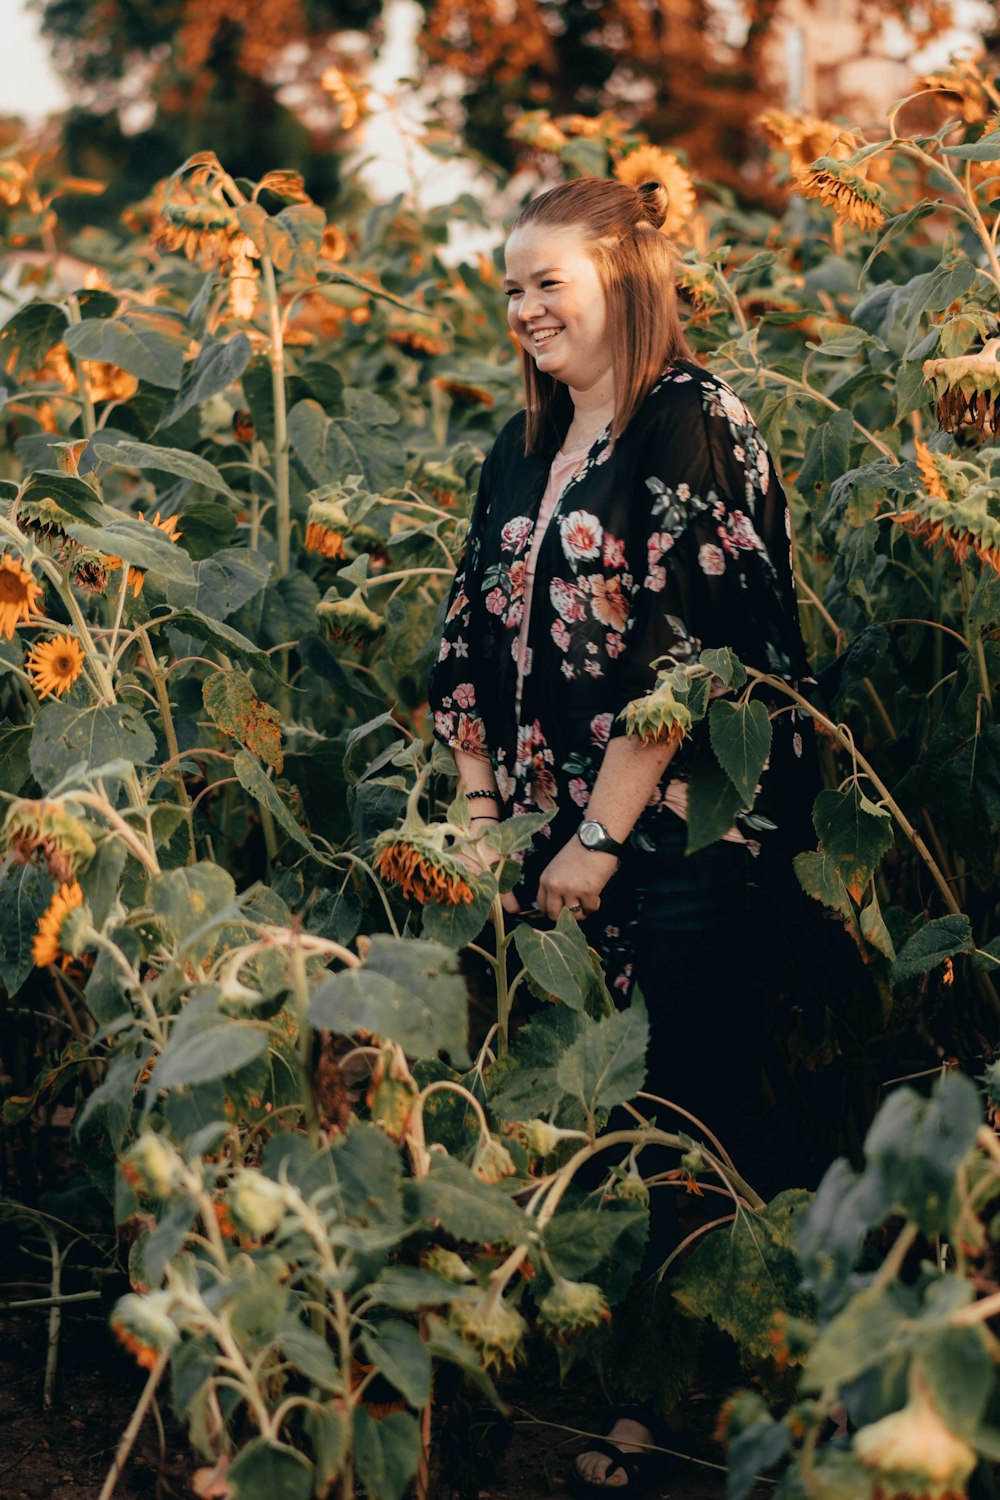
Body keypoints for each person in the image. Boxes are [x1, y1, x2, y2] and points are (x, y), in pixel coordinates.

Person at [428, 176, 817, 1494]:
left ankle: (675, 1428)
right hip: (556, 845)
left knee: (679, 1119)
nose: (525, 305)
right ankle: (628, 1394)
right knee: (594, 1117)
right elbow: (464, 636)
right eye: (512, 284)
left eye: (551, 280)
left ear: (626, 283)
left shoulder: (690, 421)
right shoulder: (526, 442)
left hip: (692, 840)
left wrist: (600, 833)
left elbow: (691, 657)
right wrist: (485, 819)